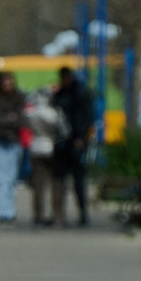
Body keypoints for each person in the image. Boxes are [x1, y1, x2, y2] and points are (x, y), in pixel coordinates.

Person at [53, 66, 93, 226]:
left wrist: (81, 136)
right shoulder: (61, 94)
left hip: (77, 141)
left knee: (78, 181)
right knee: (60, 180)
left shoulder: (80, 93)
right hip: (62, 142)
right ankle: (60, 214)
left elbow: (86, 117)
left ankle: (83, 212)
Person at [0, 73, 26, 223]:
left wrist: (9, 120)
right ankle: (3, 212)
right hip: (0, 141)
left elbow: (22, 119)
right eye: (5, 81)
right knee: (2, 178)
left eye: (10, 81)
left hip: (15, 141)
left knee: (12, 179)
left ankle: (10, 210)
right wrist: (9, 119)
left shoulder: (18, 98)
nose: (8, 84)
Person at [26, 83, 65, 226]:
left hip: (36, 148)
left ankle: (38, 215)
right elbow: (64, 130)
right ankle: (57, 215)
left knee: (38, 185)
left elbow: (26, 126)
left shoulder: (31, 113)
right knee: (56, 184)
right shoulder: (55, 113)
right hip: (52, 148)